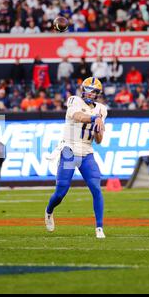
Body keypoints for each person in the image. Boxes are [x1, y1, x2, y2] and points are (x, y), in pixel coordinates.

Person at [45, 77, 107, 239]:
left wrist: (99, 129)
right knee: (61, 192)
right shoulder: (74, 101)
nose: (89, 94)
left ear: (98, 94)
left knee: (96, 187)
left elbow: (99, 141)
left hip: (87, 150)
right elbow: (78, 116)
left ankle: (99, 227)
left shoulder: (102, 109)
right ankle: (49, 211)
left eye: (93, 91)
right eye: (87, 89)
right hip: (69, 148)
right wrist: (95, 118)